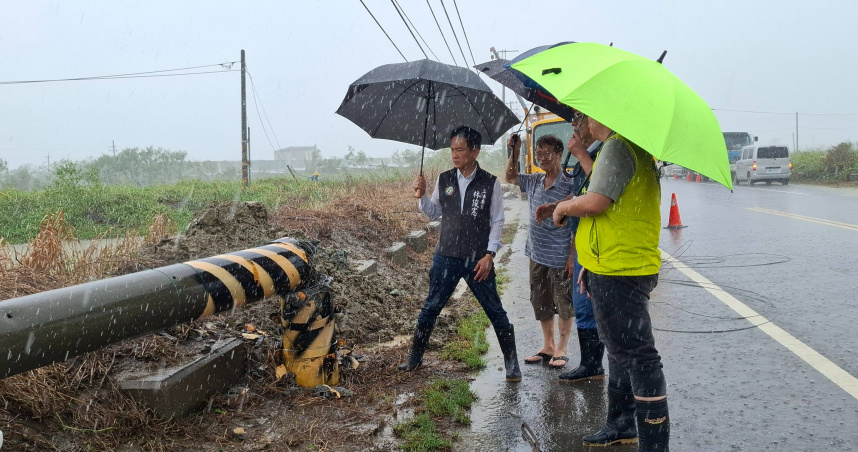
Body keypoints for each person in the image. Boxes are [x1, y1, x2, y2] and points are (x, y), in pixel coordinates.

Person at [539, 117, 669, 450]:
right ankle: (621, 424)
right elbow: (611, 210)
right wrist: (593, 266)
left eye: (583, 114)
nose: (580, 120)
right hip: (612, 265)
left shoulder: (617, 146)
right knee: (621, 351)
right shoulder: (623, 146)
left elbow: (597, 202)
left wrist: (563, 207)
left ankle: (654, 444)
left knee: (639, 356)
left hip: (622, 269)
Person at [401, 125, 521, 382]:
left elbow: (498, 220)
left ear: (474, 152)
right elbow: (434, 213)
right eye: (452, 149)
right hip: (445, 256)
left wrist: (490, 254)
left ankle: (512, 363)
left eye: (460, 149)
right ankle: (415, 358)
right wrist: (421, 197)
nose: (454, 155)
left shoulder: (490, 182)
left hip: (478, 259)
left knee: (494, 310)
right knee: (431, 308)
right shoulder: (445, 179)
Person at [504, 133, 577, 370]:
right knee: (541, 300)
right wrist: (515, 152)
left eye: (547, 153)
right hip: (536, 253)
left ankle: (562, 349)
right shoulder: (535, 180)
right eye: (538, 153)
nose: (542, 158)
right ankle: (548, 345)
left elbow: (577, 222)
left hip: (560, 255)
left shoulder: (570, 184)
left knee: (563, 302)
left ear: (559, 154)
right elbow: (510, 177)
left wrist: (572, 256)